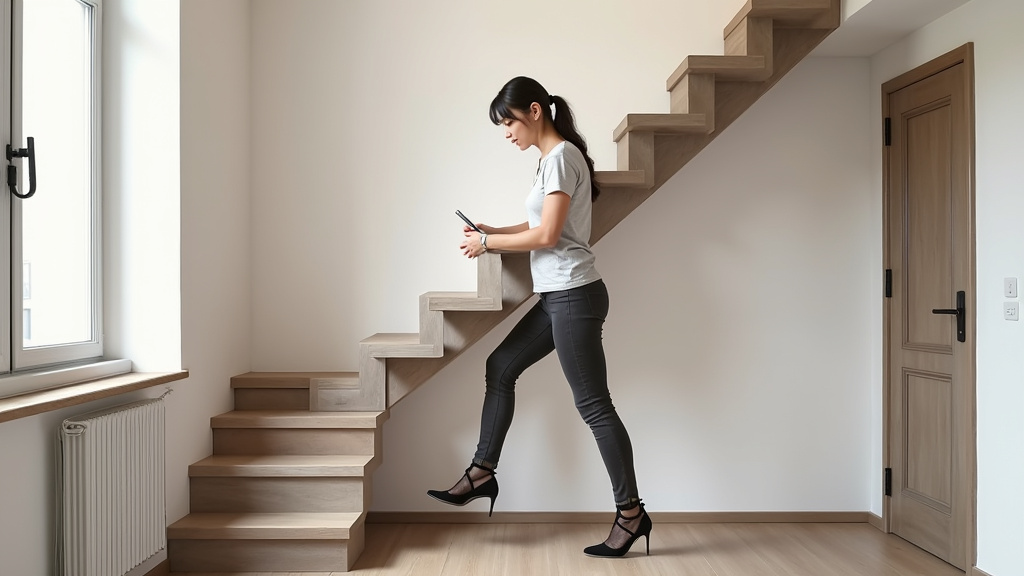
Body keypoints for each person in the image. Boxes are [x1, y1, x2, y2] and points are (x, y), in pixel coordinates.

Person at [426, 76, 651, 558]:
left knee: (594, 406)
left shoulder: (562, 156)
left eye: (508, 121)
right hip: (558, 297)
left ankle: (631, 514)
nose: (506, 132)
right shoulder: (552, 161)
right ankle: (482, 472)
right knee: (499, 367)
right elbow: (538, 224)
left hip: (573, 296)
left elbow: (548, 235)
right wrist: (492, 229)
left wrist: (487, 244)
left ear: (534, 110)